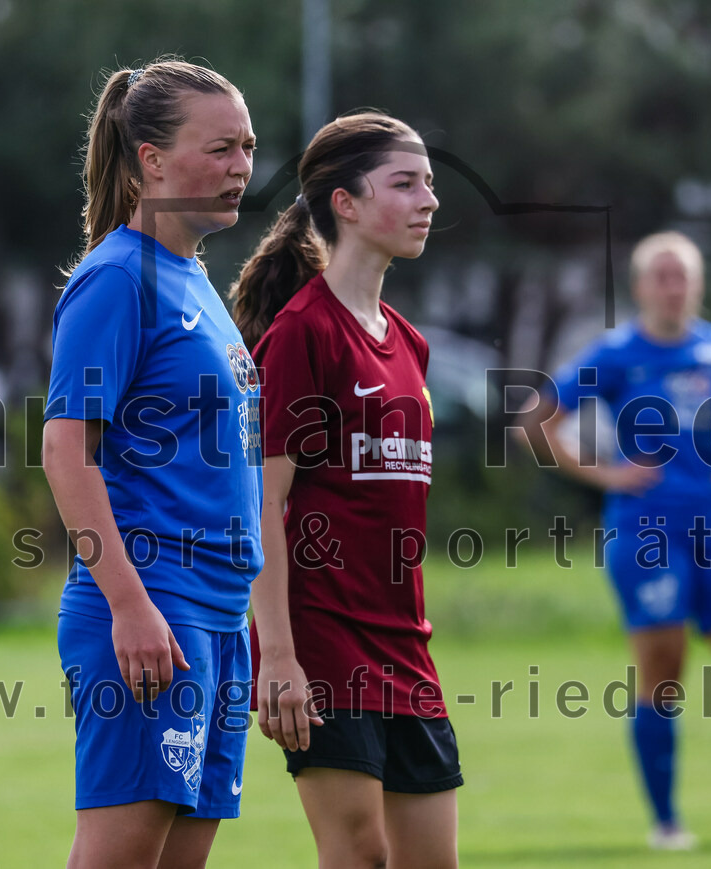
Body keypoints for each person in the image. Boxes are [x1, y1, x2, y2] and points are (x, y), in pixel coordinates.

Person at [518, 231, 711, 851]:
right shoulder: (615, 353)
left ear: (698, 284)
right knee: (663, 674)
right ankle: (666, 823)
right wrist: (605, 473)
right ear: (639, 287)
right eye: (660, 275)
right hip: (646, 532)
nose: (672, 286)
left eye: (681, 275)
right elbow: (534, 421)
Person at [42, 59, 262, 869]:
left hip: (218, 614)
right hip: (153, 606)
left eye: (247, 147)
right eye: (220, 147)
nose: (241, 166)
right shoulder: (117, 279)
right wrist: (130, 605)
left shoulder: (197, 280)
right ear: (151, 158)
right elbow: (67, 450)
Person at [230, 111, 460, 869]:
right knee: (360, 855)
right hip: (323, 642)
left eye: (430, 183)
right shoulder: (303, 334)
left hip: (405, 644)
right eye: (406, 183)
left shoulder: (409, 340)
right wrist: (280, 657)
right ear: (346, 203)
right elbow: (263, 502)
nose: (429, 200)